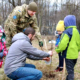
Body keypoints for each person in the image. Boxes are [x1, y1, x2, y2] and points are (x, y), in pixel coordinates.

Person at [55, 15, 80, 80]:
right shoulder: (77, 31)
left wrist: (57, 49)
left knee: (70, 72)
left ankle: (70, 78)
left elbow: (63, 44)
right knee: (71, 69)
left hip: (68, 56)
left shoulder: (67, 32)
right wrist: (76, 51)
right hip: (75, 55)